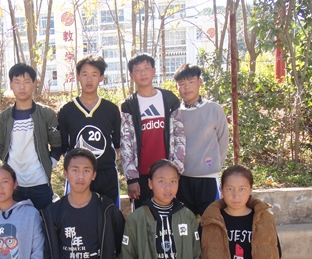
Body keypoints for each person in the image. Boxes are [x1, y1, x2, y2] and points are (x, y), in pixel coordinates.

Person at [120, 54, 186, 209]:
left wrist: (176, 170)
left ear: (154, 70)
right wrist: (131, 178)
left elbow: (179, 135)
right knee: (143, 217)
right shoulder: (129, 105)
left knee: (168, 215)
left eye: (146, 68)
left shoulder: (169, 100)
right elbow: (125, 142)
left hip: (167, 173)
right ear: (131, 75)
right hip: (141, 175)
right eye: (137, 70)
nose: (143, 73)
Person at [0, 63, 62, 210]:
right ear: (11, 85)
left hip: (40, 183)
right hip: (13, 184)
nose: (22, 87)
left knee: (44, 221)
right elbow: (1, 147)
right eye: (17, 82)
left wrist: (50, 164)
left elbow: (57, 144)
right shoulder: (4, 117)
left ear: (34, 84)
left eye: (26, 82)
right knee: (14, 223)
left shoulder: (46, 114)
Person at [58, 55, 121, 205]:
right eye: (85, 74)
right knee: (77, 214)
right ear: (78, 76)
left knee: (109, 215)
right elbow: (64, 147)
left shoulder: (111, 109)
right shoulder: (67, 110)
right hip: (78, 175)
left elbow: (117, 145)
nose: (89, 79)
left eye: (94, 74)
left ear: (101, 77)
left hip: (106, 173)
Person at [174, 64, 229, 216]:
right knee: (185, 222)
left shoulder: (214, 109)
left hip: (208, 178)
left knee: (211, 221)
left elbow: (223, 140)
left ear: (199, 82)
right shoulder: (175, 113)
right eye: (182, 84)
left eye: (191, 82)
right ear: (177, 87)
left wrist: (214, 165)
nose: (186, 87)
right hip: (183, 179)